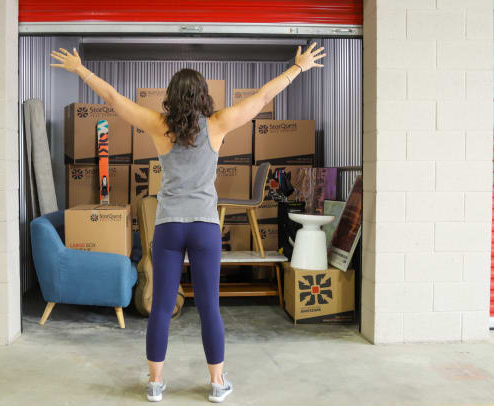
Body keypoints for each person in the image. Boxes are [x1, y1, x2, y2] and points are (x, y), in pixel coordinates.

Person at [50, 42, 326, 403]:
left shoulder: (158, 126)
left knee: (162, 306)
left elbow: (114, 99)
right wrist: (298, 68)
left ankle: (154, 384)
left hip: (168, 226)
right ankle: (216, 384)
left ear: (172, 98)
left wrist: (80, 70)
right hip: (205, 227)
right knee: (209, 306)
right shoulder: (218, 123)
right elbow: (261, 98)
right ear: (202, 97)